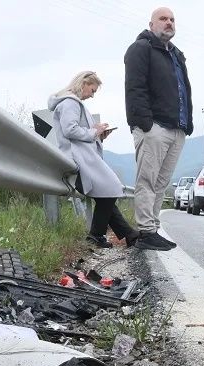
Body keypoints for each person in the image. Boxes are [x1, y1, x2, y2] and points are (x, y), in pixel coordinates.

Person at [124, 7, 193, 251]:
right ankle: (145, 230)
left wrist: (187, 124)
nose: (169, 23)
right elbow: (135, 89)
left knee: (161, 182)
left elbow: (183, 89)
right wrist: (145, 124)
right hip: (154, 127)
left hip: (177, 128)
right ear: (151, 24)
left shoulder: (176, 54)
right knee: (147, 180)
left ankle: (152, 228)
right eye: (163, 19)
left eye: (172, 19)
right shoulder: (140, 49)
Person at [49, 71, 138, 249]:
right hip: (79, 157)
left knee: (106, 193)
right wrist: (94, 132)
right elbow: (69, 130)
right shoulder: (70, 103)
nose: (92, 95)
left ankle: (126, 235)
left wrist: (99, 135)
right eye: (92, 89)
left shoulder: (72, 103)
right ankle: (99, 234)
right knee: (111, 187)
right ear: (83, 83)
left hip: (82, 155)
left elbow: (75, 131)